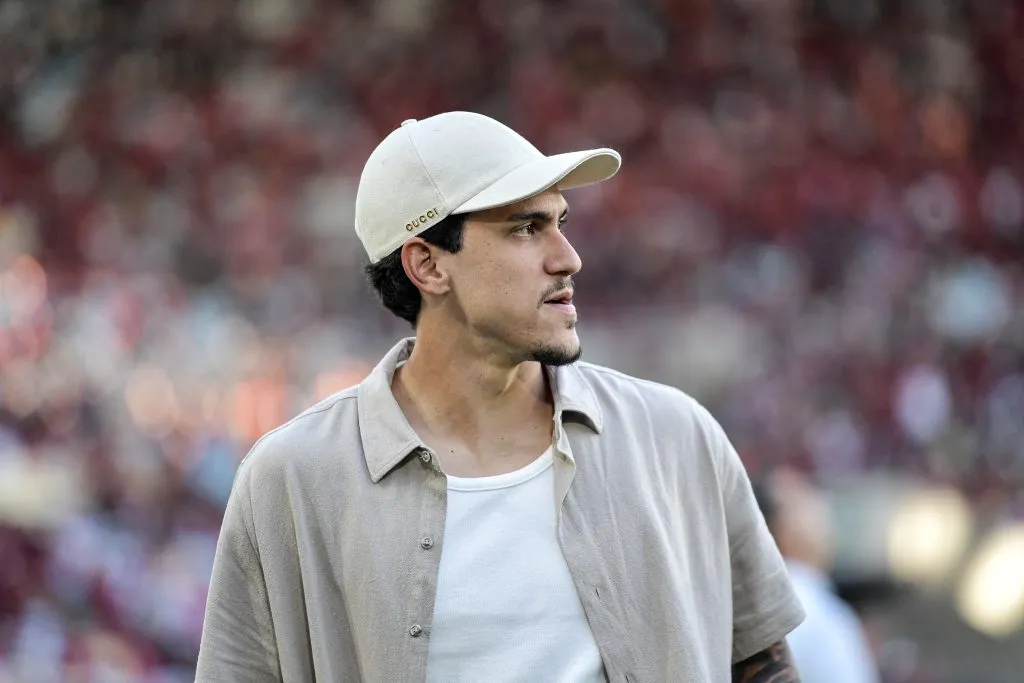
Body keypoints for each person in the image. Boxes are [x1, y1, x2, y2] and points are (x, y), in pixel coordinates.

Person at [195, 111, 805, 682]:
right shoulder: (293, 481)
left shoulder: (677, 436)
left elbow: (761, 661)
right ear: (428, 266)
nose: (568, 258)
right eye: (525, 229)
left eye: (559, 223)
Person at [754, 468, 880, 683]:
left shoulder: (808, 595)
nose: (819, 507)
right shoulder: (793, 600)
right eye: (802, 499)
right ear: (781, 526)